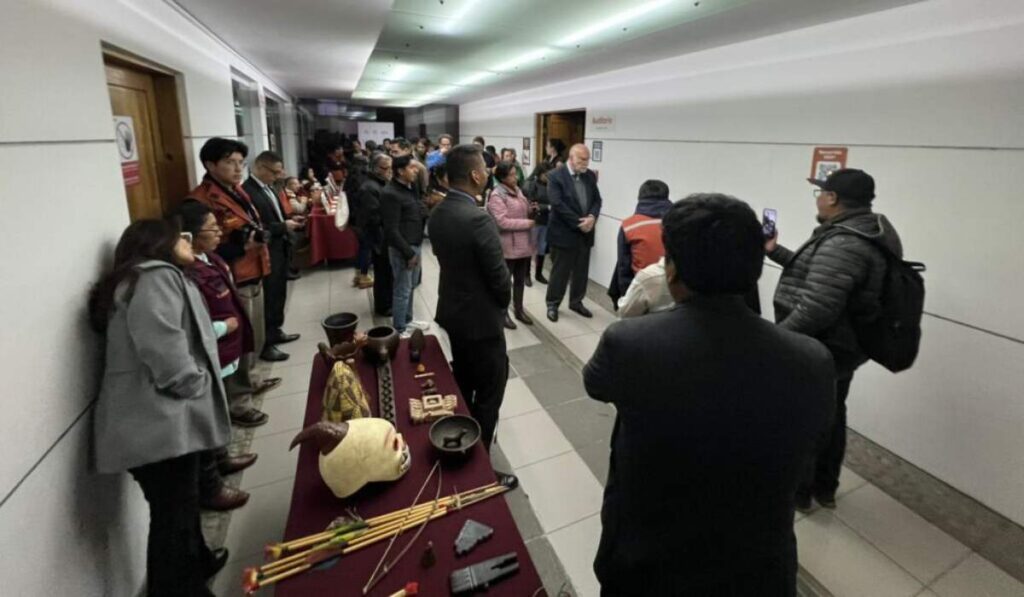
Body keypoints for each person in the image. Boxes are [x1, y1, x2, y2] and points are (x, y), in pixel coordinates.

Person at [584, 194, 835, 595]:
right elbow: (814, 439)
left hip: (649, 561)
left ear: (672, 270)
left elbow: (595, 384)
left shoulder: (630, 342)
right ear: (755, 267)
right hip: (758, 569)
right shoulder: (813, 359)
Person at [89, 219, 235, 596]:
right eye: (179, 238)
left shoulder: (142, 278)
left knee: (182, 505)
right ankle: (180, 589)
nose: (188, 242)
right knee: (173, 518)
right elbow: (163, 346)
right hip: (158, 423)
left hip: (155, 421)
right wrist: (195, 383)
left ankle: (199, 560)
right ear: (159, 245)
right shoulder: (154, 279)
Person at [768, 168, 903, 510]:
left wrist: (775, 341)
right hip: (845, 344)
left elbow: (818, 307)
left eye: (821, 194)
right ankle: (824, 487)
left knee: (805, 416)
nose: (818, 200)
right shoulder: (864, 231)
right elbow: (820, 277)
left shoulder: (845, 242)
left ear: (832, 198)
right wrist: (775, 250)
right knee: (831, 411)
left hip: (822, 345)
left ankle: (800, 491)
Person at [178, 202, 260, 512]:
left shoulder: (210, 258)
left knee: (221, 407)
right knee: (212, 411)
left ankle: (222, 456)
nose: (219, 232)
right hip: (215, 347)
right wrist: (223, 327)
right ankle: (214, 473)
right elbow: (192, 323)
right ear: (189, 235)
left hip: (228, 345)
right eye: (212, 228)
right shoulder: (187, 272)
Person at [428, 145, 512, 448]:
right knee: (490, 393)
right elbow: (499, 278)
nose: (488, 174)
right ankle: (480, 457)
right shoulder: (478, 219)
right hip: (482, 322)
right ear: (476, 175)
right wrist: (502, 305)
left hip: (453, 313)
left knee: (462, 382)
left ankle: (460, 445)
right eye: (485, 170)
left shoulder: (437, 212)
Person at [187, 137, 271, 428]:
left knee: (252, 332)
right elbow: (201, 248)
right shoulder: (199, 201)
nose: (238, 169)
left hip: (252, 267)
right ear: (210, 165)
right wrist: (241, 247)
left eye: (240, 163)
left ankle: (251, 379)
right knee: (234, 340)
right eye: (230, 163)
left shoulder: (237, 191)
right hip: (227, 277)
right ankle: (238, 403)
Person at [242, 151, 301, 362]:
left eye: (279, 172)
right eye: (274, 172)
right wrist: (283, 227)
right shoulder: (248, 192)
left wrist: (288, 221)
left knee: (278, 293)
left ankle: (276, 330)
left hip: (280, 248)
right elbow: (257, 226)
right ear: (260, 168)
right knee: (269, 296)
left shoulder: (269, 188)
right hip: (266, 250)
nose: (277, 176)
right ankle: (266, 343)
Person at [544, 143, 602, 322]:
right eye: (582, 159)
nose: (585, 163)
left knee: (581, 272)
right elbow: (557, 204)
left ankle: (576, 302)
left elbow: (597, 200)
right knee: (560, 272)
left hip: (585, 233)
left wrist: (592, 216)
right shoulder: (555, 176)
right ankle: (553, 304)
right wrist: (579, 223)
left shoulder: (589, 175)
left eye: (587, 159)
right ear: (571, 158)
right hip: (564, 233)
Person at [380, 154, 430, 335]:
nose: (416, 171)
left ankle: (408, 320)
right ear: (400, 171)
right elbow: (391, 230)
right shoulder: (390, 193)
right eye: (412, 168)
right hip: (403, 249)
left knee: (411, 286)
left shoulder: (410, 188)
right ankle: (399, 328)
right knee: (402, 289)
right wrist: (409, 253)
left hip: (415, 243)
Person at [487, 161, 536, 329]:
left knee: (520, 280)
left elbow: (523, 210)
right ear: (502, 177)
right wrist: (526, 224)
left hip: (523, 244)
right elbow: (502, 222)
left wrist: (531, 209)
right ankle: (502, 314)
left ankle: (519, 310)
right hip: (508, 246)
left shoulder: (518, 190)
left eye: (516, 174)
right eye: (512, 175)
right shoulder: (497, 195)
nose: (516, 177)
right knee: (505, 283)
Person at [609, 180, 673, 308]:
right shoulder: (678, 222)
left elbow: (624, 266)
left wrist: (626, 295)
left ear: (640, 198)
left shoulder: (630, 225)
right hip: (673, 289)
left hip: (642, 288)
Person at [356, 153, 394, 315]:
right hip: (378, 237)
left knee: (388, 272)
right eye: (385, 168)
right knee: (383, 273)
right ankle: (383, 306)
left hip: (384, 235)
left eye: (390, 168)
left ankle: (388, 301)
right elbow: (373, 217)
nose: (389, 172)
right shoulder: (369, 188)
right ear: (375, 168)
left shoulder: (381, 184)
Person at [523, 162, 554, 284]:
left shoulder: (551, 185)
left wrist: (544, 207)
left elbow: (554, 202)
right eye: (546, 175)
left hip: (546, 221)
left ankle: (538, 274)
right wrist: (548, 207)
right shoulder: (532, 184)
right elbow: (532, 205)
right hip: (534, 221)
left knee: (542, 248)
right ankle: (526, 274)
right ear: (540, 173)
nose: (548, 177)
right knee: (530, 248)